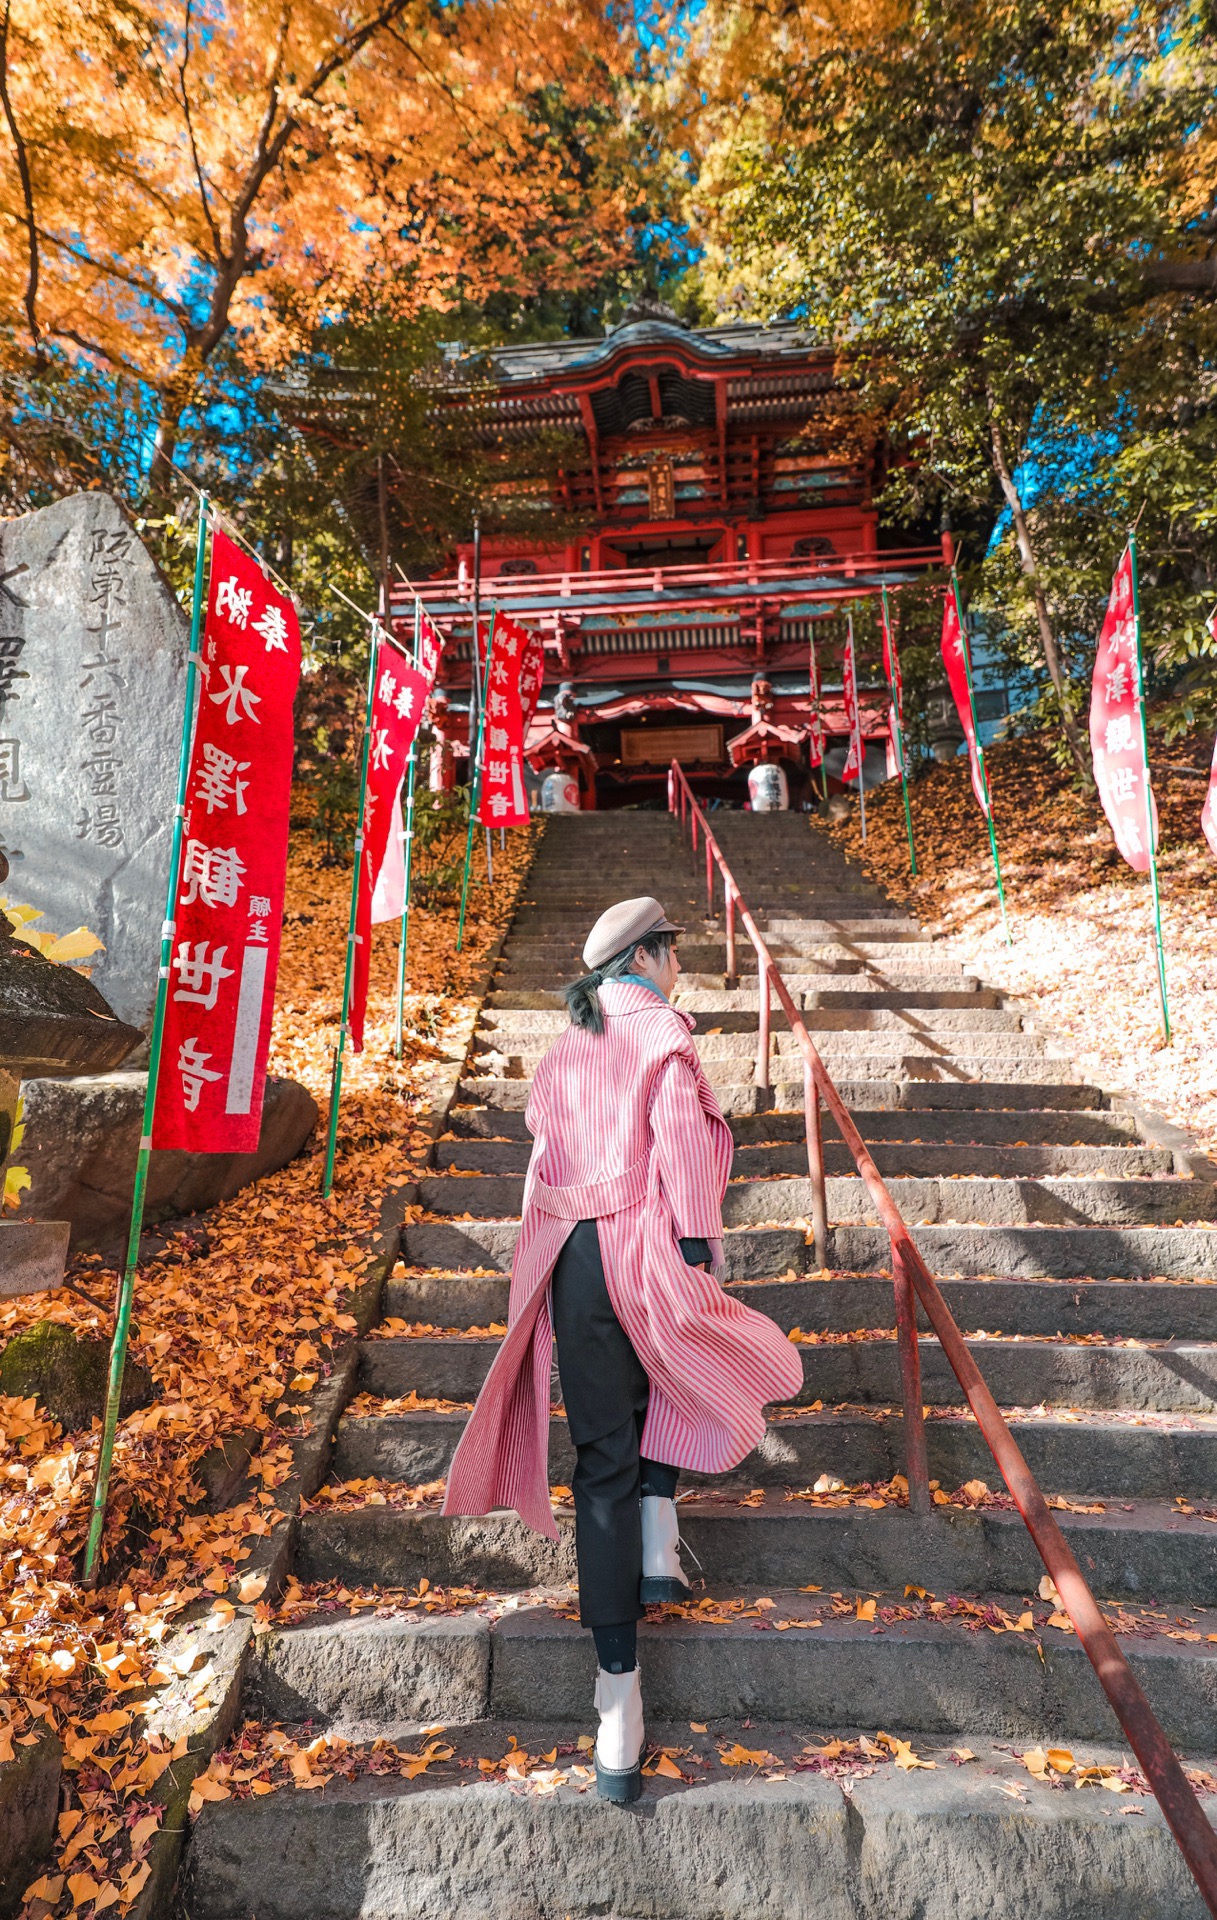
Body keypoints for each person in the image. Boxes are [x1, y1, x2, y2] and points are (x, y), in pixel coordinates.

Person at [443, 896, 802, 1803]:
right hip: (641, 1237)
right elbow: (682, 1140)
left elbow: (541, 1149)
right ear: (647, 957)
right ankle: (659, 1532)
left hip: (568, 1254)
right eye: (671, 949)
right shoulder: (663, 1035)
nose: (677, 964)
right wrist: (695, 1239)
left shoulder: (565, 1046)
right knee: (698, 1360)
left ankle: (616, 1701)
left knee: (600, 1449)